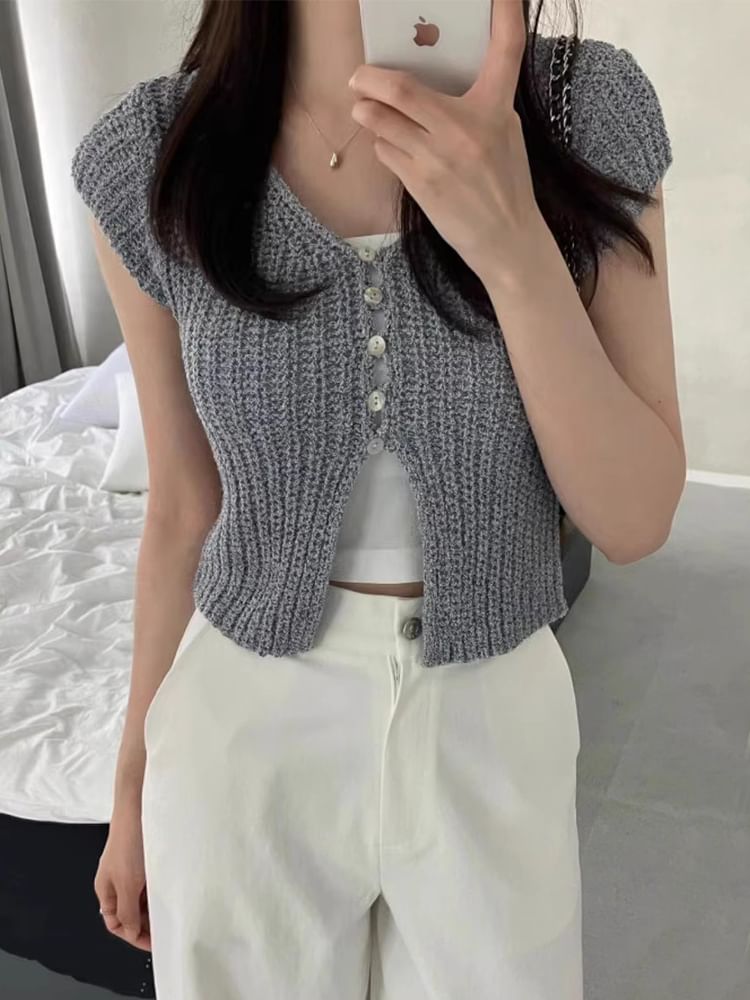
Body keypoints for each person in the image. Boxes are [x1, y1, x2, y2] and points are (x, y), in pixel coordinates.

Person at [70, 1, 685, 997]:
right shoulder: (154, 155)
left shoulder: (584, 112)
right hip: (241, 731)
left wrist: (513, 245)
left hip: (492, 718)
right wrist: (132, 784)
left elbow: (636, 518)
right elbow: (182, 508)